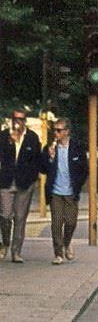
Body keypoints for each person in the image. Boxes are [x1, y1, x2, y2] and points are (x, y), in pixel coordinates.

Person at [42, 118, 88, 265]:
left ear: (67, 131)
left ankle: (66, 243)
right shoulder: (50, 148)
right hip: (55, 192)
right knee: (56, 223)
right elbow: (43, 169)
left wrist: (78, 185)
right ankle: (58, 254)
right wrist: (49, 158)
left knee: (71, 222)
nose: (56, 133)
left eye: (59, 130)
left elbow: (84, 169)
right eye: (54, 130)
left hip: (71, 192)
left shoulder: (76, 147)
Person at [0, 111, 43, 262]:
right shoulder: (4, 136)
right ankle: (5, 243)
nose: (17, 122)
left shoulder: (32, 138)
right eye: (14, 119)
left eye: (20, 120)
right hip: (6, 182)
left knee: (20, 218)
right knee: (5, 215)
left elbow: (37, 160)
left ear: (25, 121)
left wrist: (32, 179)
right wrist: (11, 141)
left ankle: (16, 252)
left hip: (25, 184)